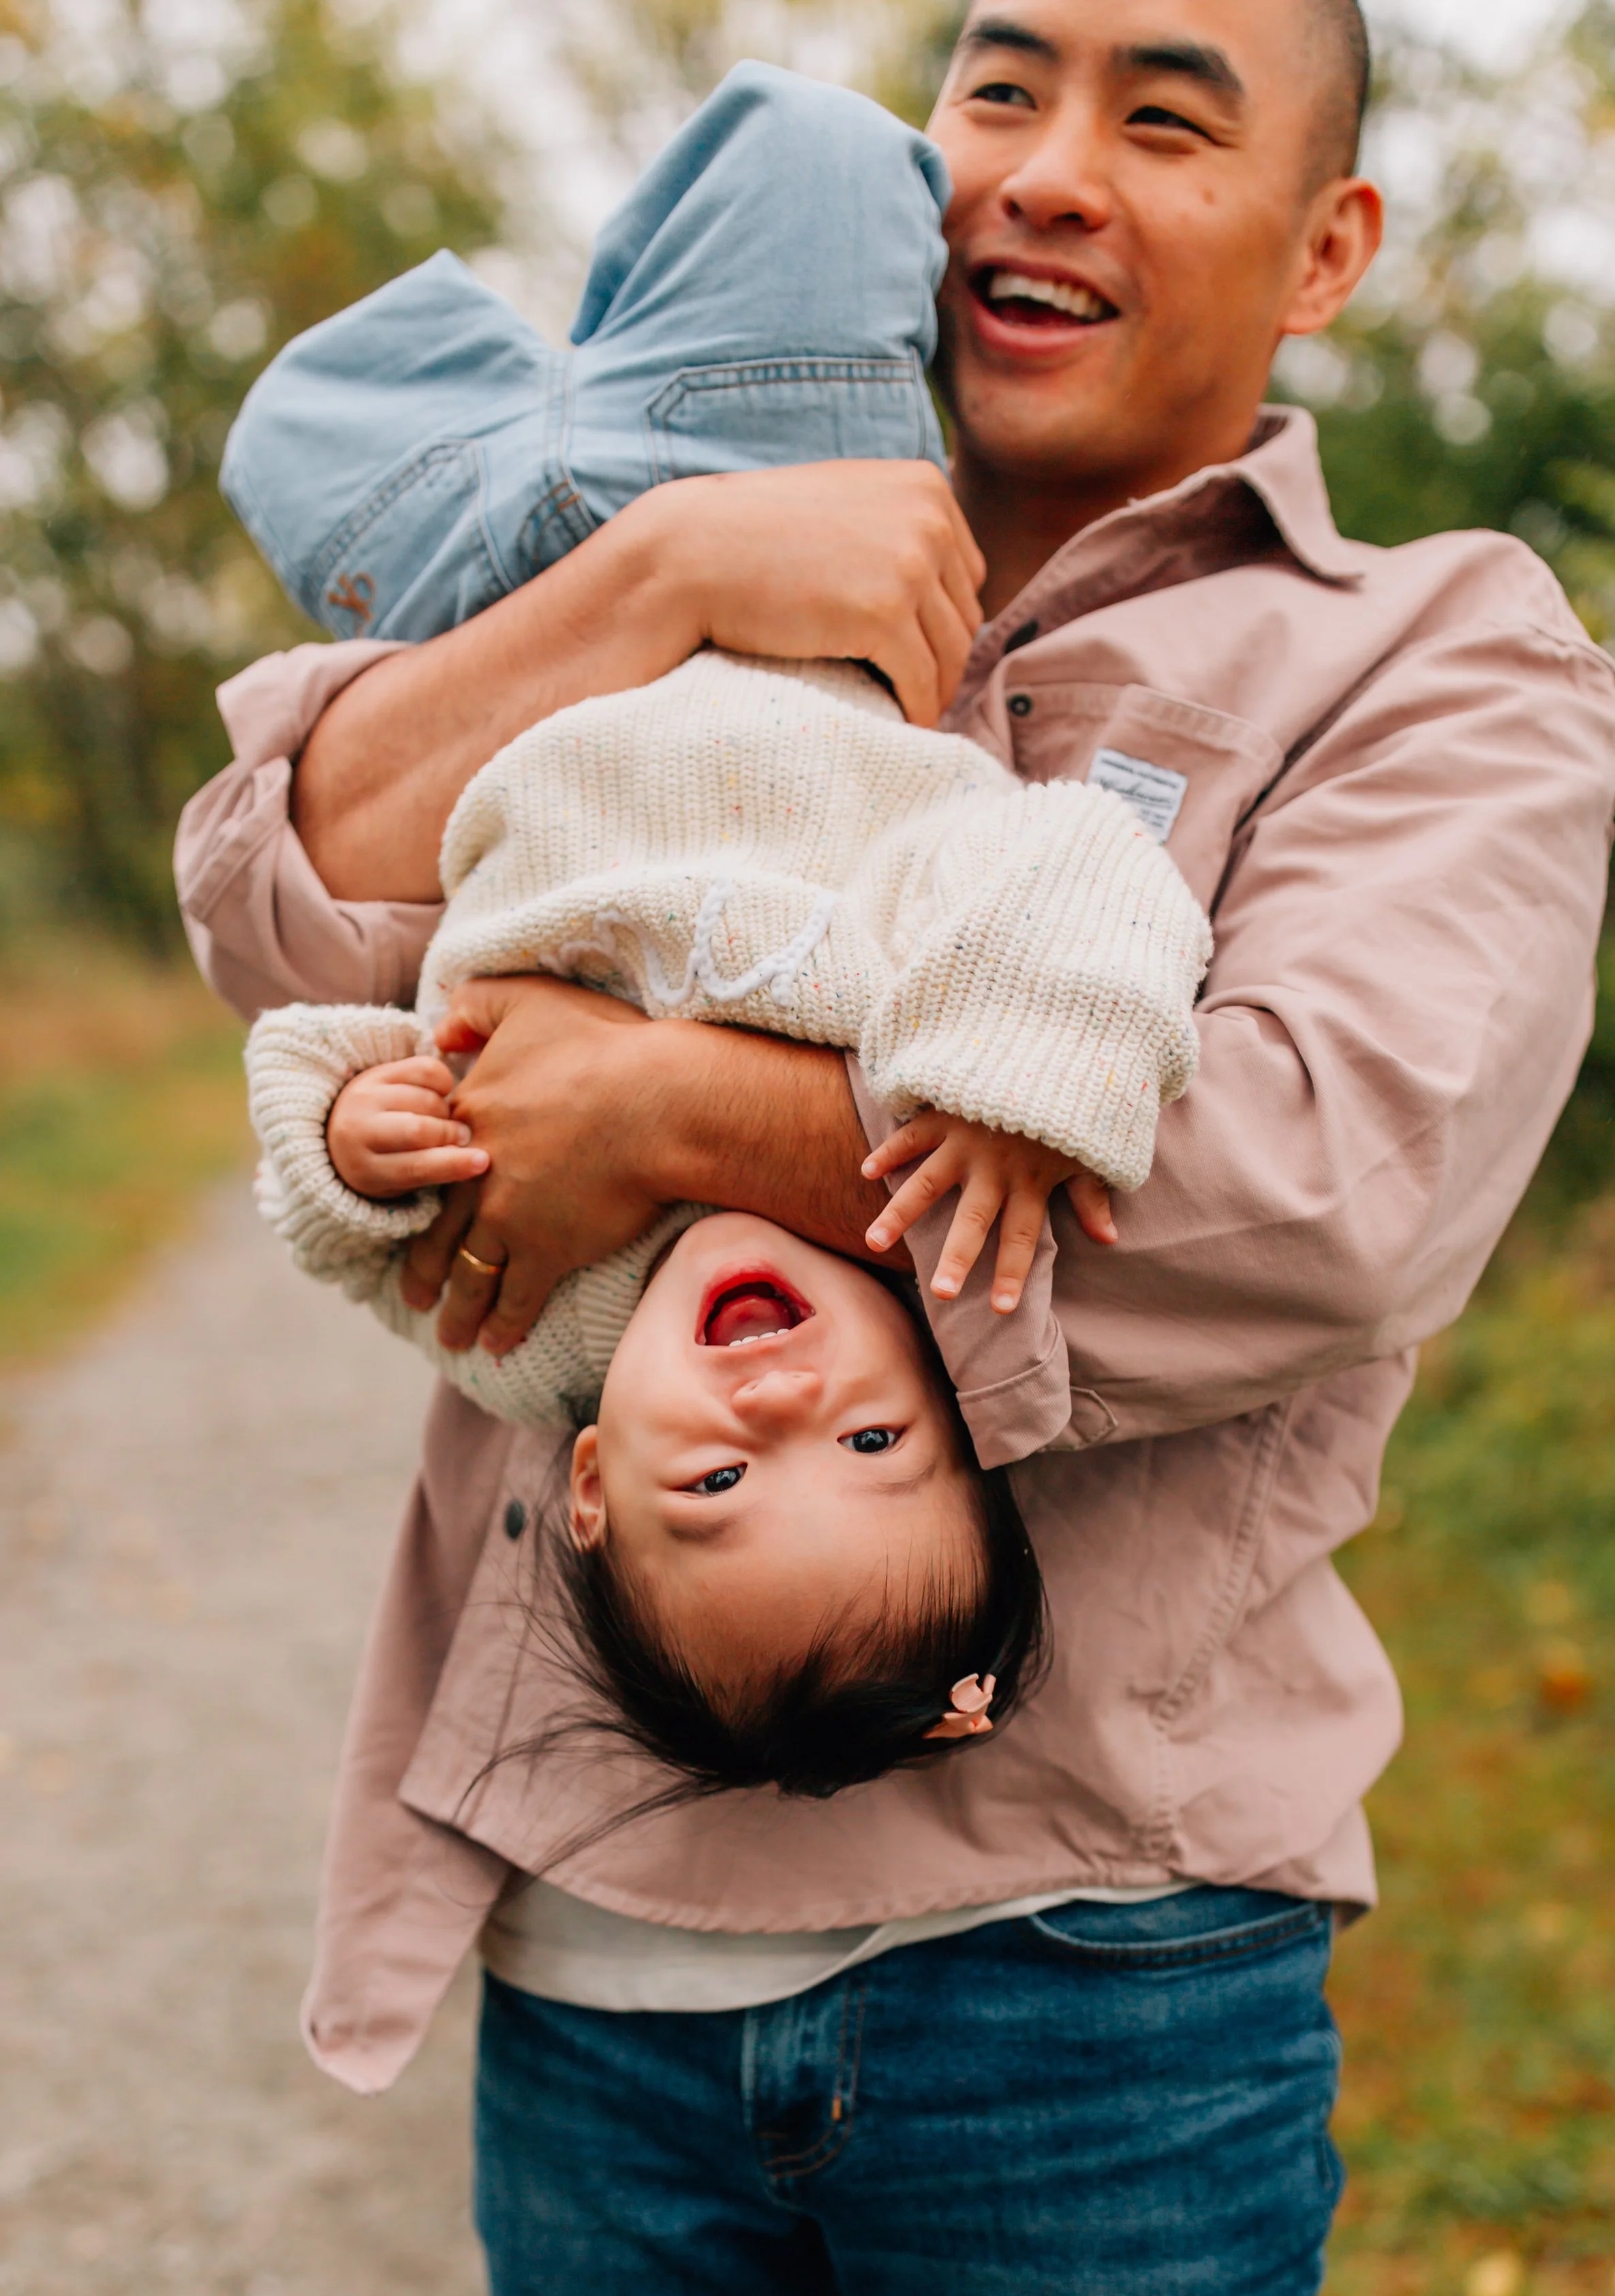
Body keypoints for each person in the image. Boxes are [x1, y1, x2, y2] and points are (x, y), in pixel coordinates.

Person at [174, 2, 1615, 2296]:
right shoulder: (699, 496)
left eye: (1162, 118)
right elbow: (279, 874)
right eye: (1000, 89)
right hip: (604, 1931)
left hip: (1103, 1968)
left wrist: (651, 1115)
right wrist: (661, 571)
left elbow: (1305, 1194)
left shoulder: (1436, 651)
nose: (1046, 172)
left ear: (1328, 248)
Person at [230, 66, 1208, 1791]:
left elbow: (325, 1099)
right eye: (876, 1437)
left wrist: (348, 1138)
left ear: (593, 1485)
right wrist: (1005, 1086)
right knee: (813, 147)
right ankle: (584, 443)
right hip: (789, 508)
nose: (780, 1411)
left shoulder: (536, 1332)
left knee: (291, 429)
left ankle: (550, 459)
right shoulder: (906, 1052)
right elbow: (1082, 867)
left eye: (718, 1488)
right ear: (957, 1404)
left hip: (505, 621)